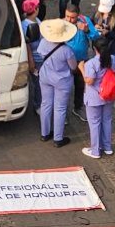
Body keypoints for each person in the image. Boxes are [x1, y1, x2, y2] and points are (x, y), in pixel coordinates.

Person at [36, 19, 79, 147]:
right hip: (62, 80)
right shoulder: (67, 50)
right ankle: (58, 138)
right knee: (60, 108)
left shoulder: (43, 42)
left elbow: (39, 54)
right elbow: (73, 66)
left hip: (45, 76)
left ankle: (45, 133)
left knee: (45, 104)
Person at [80, 37, 115, 159]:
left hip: (94, 97)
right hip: (108, 95)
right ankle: (107, 147)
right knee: (107, 120)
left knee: (95, 123)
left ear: (94, 49)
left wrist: (81, 68)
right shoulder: (113, 59)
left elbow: (89, 81)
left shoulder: (91, 63)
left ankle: (95, 150)